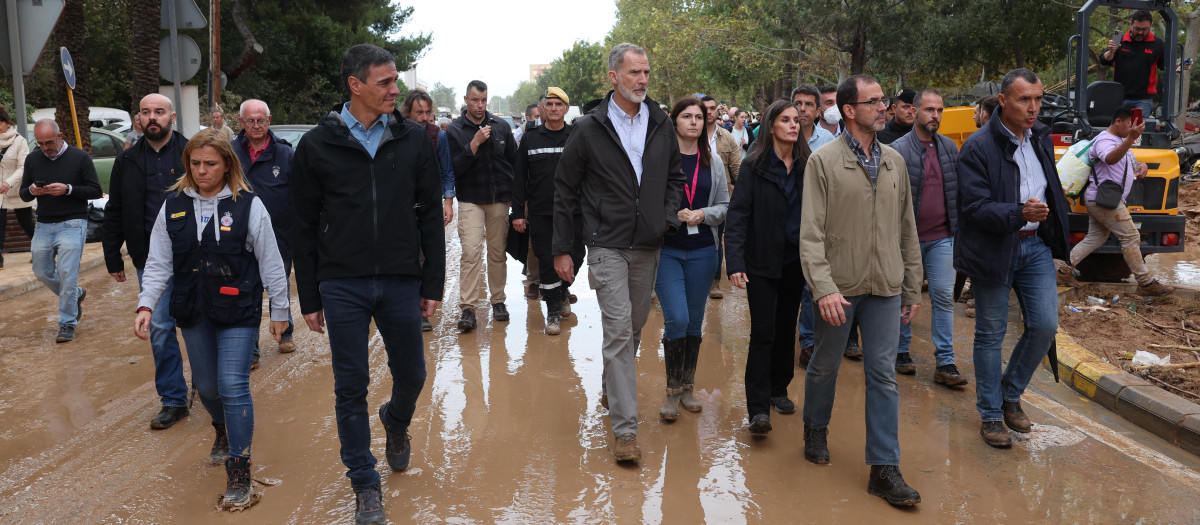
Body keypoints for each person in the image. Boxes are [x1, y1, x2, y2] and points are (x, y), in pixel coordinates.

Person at [291, 44, 444, 524]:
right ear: (355, 85)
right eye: (385, 82)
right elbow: (303, 224)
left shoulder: (414, 140)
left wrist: (432, 283)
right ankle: (364, 482)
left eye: (396, 81)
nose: (395, 90)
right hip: (342, 283)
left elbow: (430, 219)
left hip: (401, 278)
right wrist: (310, 295)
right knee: (350, 386)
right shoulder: (316, 146)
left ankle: (396, 420)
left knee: (414, 375)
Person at [134, 128, 289, 509]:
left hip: (238, 307)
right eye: (195, 163)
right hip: (193, 308)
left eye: (211, 164)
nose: (202, 170)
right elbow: (157, 263)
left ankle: (240, 468)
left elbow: (271, 260)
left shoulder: (249, 206)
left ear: (226, 165)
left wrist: (280, 310)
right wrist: (145, 305)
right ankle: (221, 428)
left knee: (232, 383)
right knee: (206, 387)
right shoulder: (172, 206)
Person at [553, 42, 684, 463]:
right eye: (634, 73)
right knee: (617, 331)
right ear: (614, 77)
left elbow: (674, 178)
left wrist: (665, 218)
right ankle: (626, 431)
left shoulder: (661, 123)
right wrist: (563, 249)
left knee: (635, 327)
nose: (642, 80)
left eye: (646, 73)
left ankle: (614, 387)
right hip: (606, 244)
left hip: (648, 244)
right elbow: (565, 189)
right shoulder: (589, 128)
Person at [799, 75, 923, 507]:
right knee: (825, 364)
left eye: (883, 101)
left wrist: (911, 287)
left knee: (883, 375)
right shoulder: (823, 162)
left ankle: (884, 468)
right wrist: (824, 288)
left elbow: (908, 230)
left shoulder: (894, 161)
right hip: (840, 288)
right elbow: (810, 235)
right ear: (849, 110)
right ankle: (815, 428)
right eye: (873, 102)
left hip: (886, 286)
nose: (883, 108)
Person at [956, 68, 1070, 449]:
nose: (1033, 108)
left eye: (1037, 99)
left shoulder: (1039, 137)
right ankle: (991, 416)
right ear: (1003, 102)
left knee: (1044, 326)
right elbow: (973, 207)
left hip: (1034, 244)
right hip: (994, 247)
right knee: (990, 334)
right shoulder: (977, 146)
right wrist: (1018, 212)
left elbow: (1049, 185)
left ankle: (1009, 393)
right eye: (1024, 100)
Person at [103, 93, 192, 429]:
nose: (152, 117)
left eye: (159, 112)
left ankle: (209, 386)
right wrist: (113, 255)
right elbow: (116, 210)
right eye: (145, 112)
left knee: (200, 322)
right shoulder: (126, 161)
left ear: (171, 116)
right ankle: (173, 400)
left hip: (195, 254)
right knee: (159, 326)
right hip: (150, 258)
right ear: (137, 119)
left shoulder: (192, 153)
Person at [725, 100, 807, 435]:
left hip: (795, 261)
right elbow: (739, 215)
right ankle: (758, 408)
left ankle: (779, 388)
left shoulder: (807, 165)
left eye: (796, 120)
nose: (793, 125)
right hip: (761, 261)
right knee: (763, 332)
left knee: (787, 329)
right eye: (785, 120)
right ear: (771, 125)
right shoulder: (754, 165)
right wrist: (736, 261)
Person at [889, 89, 969, 386]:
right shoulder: (898, 149)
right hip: (906, 240)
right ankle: (900, 352)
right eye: (929, 110)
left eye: (939, 110)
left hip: (942, 238)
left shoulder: (950, 148)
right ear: (915, 112)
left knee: (943, 297)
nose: (935, 115)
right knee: (902, 296)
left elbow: (958, 192)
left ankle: (945, 363)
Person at [656, 97, 729, 421]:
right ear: (674, 122)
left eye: (699, 117)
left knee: (695, 320)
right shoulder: (659, 160)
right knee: (678, 318)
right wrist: (671, 214)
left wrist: (703, 213)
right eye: (686, 116)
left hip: (703, 252)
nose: (694, 122)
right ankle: (671, 392)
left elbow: (726, 205)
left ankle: (687, 388)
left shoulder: (713, 162)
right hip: (668, 250)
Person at [1070, 106, 1174, 297]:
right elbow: (1109, 158)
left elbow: (1132, 162)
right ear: (1118, 121)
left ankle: (1063, 269)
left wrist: (1143, 166)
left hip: (1105, 199)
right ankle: (1145, 282)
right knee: (1131, 237)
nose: (1132, 129)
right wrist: (1130, 139)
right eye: (1129, 124)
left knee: (1096, 237)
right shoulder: (1104, 140)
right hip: (1104, 200)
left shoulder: (1120, 141)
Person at [445, 80, 517, 332]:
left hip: (499, 199)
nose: (480, 105)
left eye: (484, 100)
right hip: (470, 199)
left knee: (497, 252)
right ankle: (468, 308)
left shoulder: (501, 126)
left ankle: (498, 301)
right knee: (471, 252)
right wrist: (473, 143)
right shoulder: (454, 130)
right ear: (466, 99)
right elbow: (453, 169)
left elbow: (514, 162)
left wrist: (515, 196)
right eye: (475, 100)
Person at [21, 119, 102, 343]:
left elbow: (96, 190)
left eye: (49, 142)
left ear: (60, 135)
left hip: (73, 223)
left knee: (67, 274)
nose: (45, 147)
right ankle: (76, 294)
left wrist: (68, 189)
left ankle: (67, 323)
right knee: (41, 272)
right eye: (40, 143)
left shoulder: (80, 157)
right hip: (44, 224)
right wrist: (33, 190)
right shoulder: (33, 158)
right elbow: (23, 194)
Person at [512, 87, 582, 335]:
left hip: (574, 213)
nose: (553, 109)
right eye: (549, 104)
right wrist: (518, 213)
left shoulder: (576, 136)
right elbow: (519, 178)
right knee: (546, 261)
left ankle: (562, 291)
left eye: (558, 104)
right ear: (542, 109)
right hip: (542, 213)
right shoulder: (530, 138)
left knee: (577, 256)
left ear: (565, 108)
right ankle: (552, 311)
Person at [233, 99, 298, 359]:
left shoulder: (285, 154)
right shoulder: (230, 152)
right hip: (238, 234)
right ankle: (251, 349)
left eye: (261, 120)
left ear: (269, 121)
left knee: (277, 283)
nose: (257, 125)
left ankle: (286, 333)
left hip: (279, 233)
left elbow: (298, 194)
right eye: (251, 120)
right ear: (241, 123)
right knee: (247, 290)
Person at [403, 88, 455, 331]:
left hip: (429, 206)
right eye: (418, 112)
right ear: (407, 113)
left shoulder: (438, 136)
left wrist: (447, 202)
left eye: (427, 112)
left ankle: (421, 310)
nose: (424, 117)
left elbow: (446, 171)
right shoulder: (397, 135)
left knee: (427, 256)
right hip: (401, 207)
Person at [789, 84, 833, 368]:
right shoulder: (780, 135)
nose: (802, 109)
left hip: (819, 223)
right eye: (798, 103)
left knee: (811, 286)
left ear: (818, 111)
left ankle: (809, 343)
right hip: (787, 221)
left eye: (808, 104)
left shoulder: (828, 141)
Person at [700, 95, 740, 300]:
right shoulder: (687, 133)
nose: (709, 112)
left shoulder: (727, 137)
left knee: (716, 240)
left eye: (712, 108)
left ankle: (714, 283)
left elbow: (737, 168)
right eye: (704, 108)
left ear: (717, 111)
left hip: (719, 197)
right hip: (692, 196)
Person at [1099, 10, 1164, 116]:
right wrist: (1111, 52)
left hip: (1143, 99)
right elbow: (1104, 60)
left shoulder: (1158, 44)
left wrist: (1180, 66)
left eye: (1145, 29)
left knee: (1138, 130)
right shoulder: (1120, 40)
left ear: (1151, 26)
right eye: (1137, 29)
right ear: (1131, 25)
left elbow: (1165, 65)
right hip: (1120, 96)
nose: (1140, 33)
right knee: (1119, 130)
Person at [0, 107, 33, 270]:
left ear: (7, 123)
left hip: (15, 189)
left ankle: (39, 249)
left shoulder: (19, 141)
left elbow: (23, 166)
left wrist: (9, 182)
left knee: (26, 222)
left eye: (0, 123)